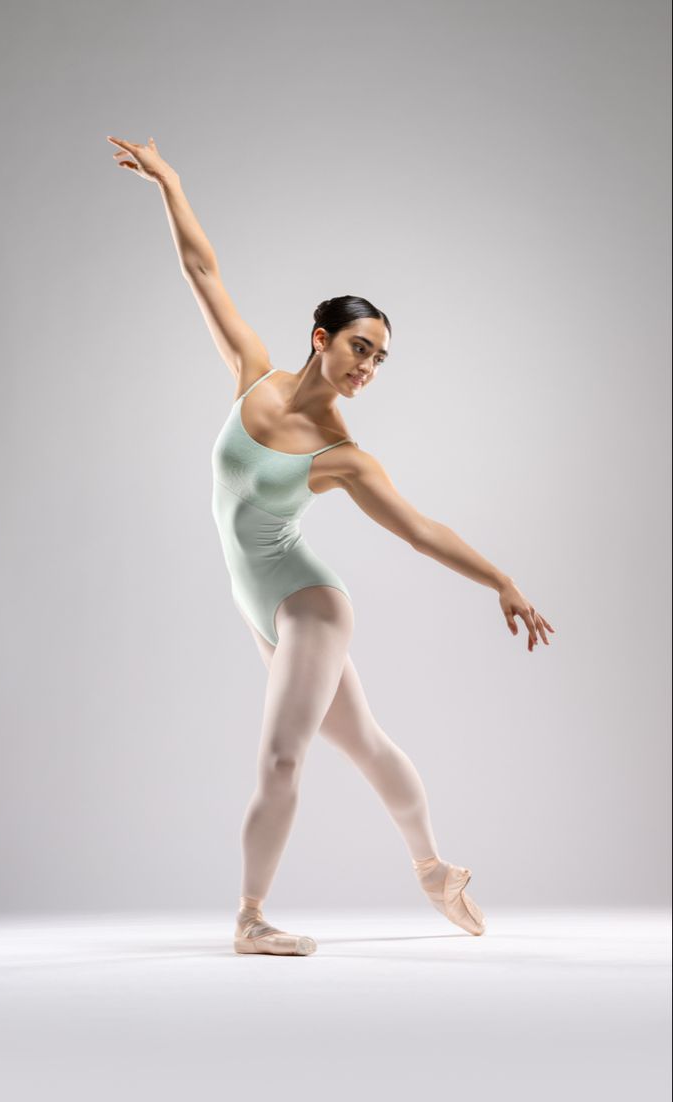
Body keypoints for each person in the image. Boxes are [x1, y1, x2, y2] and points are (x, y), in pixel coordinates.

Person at [106, 135, 556, 956]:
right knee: (366, 742)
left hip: (308, 604)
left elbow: (421, 531)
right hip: (261, 608)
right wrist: (169, 181)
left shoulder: (340, 455)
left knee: (283, 757)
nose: (368, 369)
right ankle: (435, 871)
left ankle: (249, 919)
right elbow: (203, 272)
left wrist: (502, 579)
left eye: (380, 360)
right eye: (360, 348)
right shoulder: (252, 373)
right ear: (321, 337)